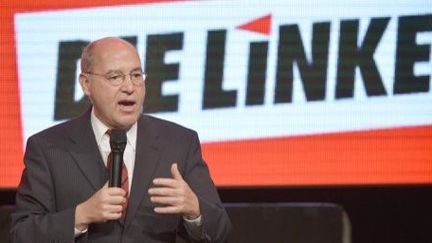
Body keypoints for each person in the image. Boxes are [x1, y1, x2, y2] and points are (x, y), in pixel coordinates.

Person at [10, 37, 231, 243]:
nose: (129, 87)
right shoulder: (48, 147)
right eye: (115, 77)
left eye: (136, 75)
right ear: (86, 84)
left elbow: (222, 232)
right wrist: (81, 215)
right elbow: (22, 233)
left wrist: (195, 211)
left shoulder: (180, 143)